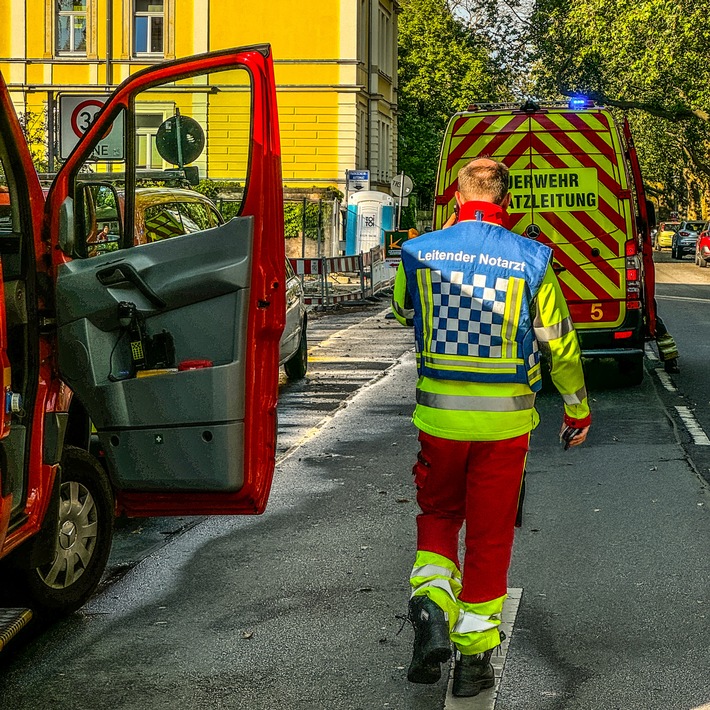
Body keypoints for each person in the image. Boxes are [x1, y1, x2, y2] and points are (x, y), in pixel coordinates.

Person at [391, 158, 591, 697]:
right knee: (489, 534)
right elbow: (558, 343)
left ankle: (432, 604)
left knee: (437, 512)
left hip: (439, 420)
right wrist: (576, 407)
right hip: (505, 427)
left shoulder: (419, 253)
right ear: (507, 202)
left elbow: (402, 308)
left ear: (456, 198)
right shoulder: (531, 259)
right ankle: (474, 660)